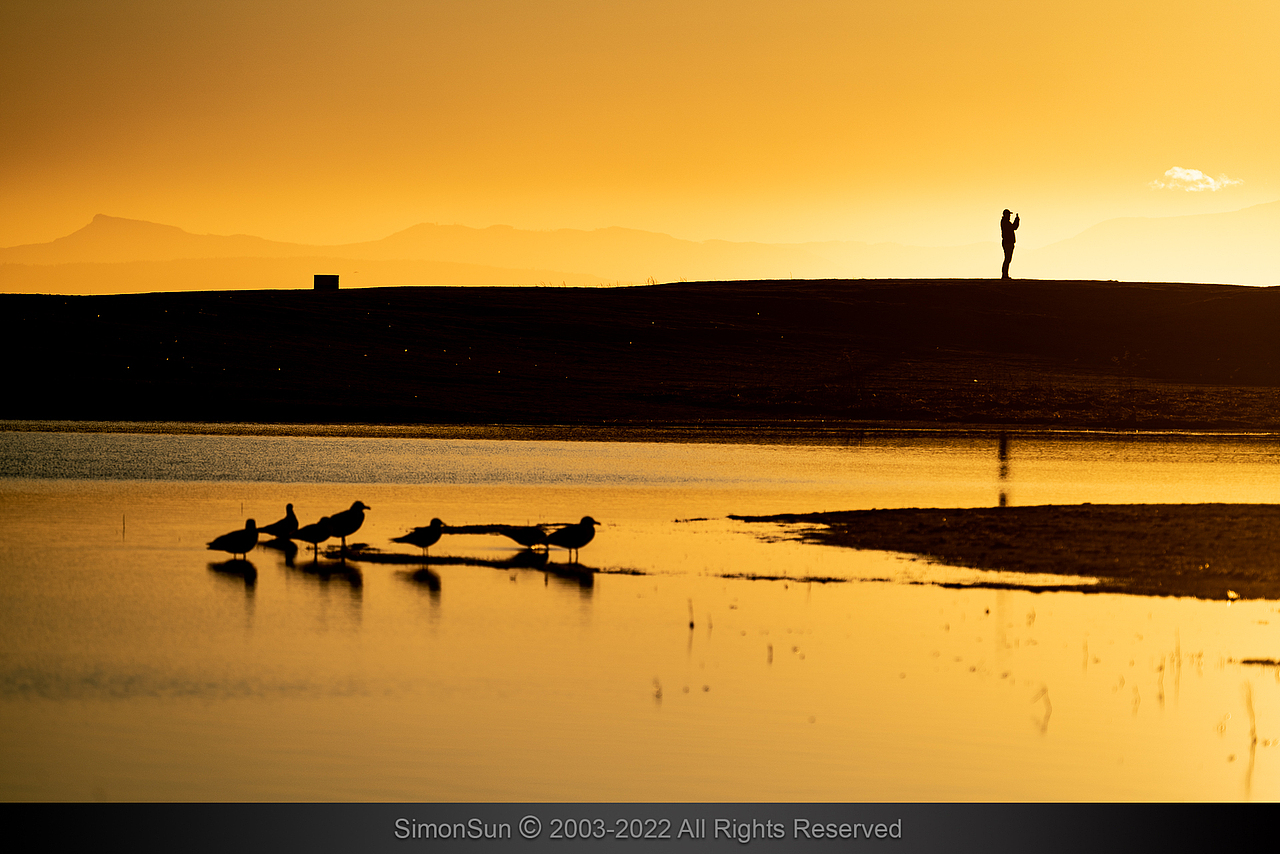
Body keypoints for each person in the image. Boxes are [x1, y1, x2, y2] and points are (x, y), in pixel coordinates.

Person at [1000, 209, 1020, 279]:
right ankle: (1004, 275)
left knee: (1007, 259)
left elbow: (1013, 227)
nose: (1009, 216)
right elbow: (1014, 227)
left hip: (1007, 242)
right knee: (1007, 259)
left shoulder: (1005, 222)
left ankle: (1005, 274)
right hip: (1008, 242)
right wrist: (1017, 220)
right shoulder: (1005, 222)